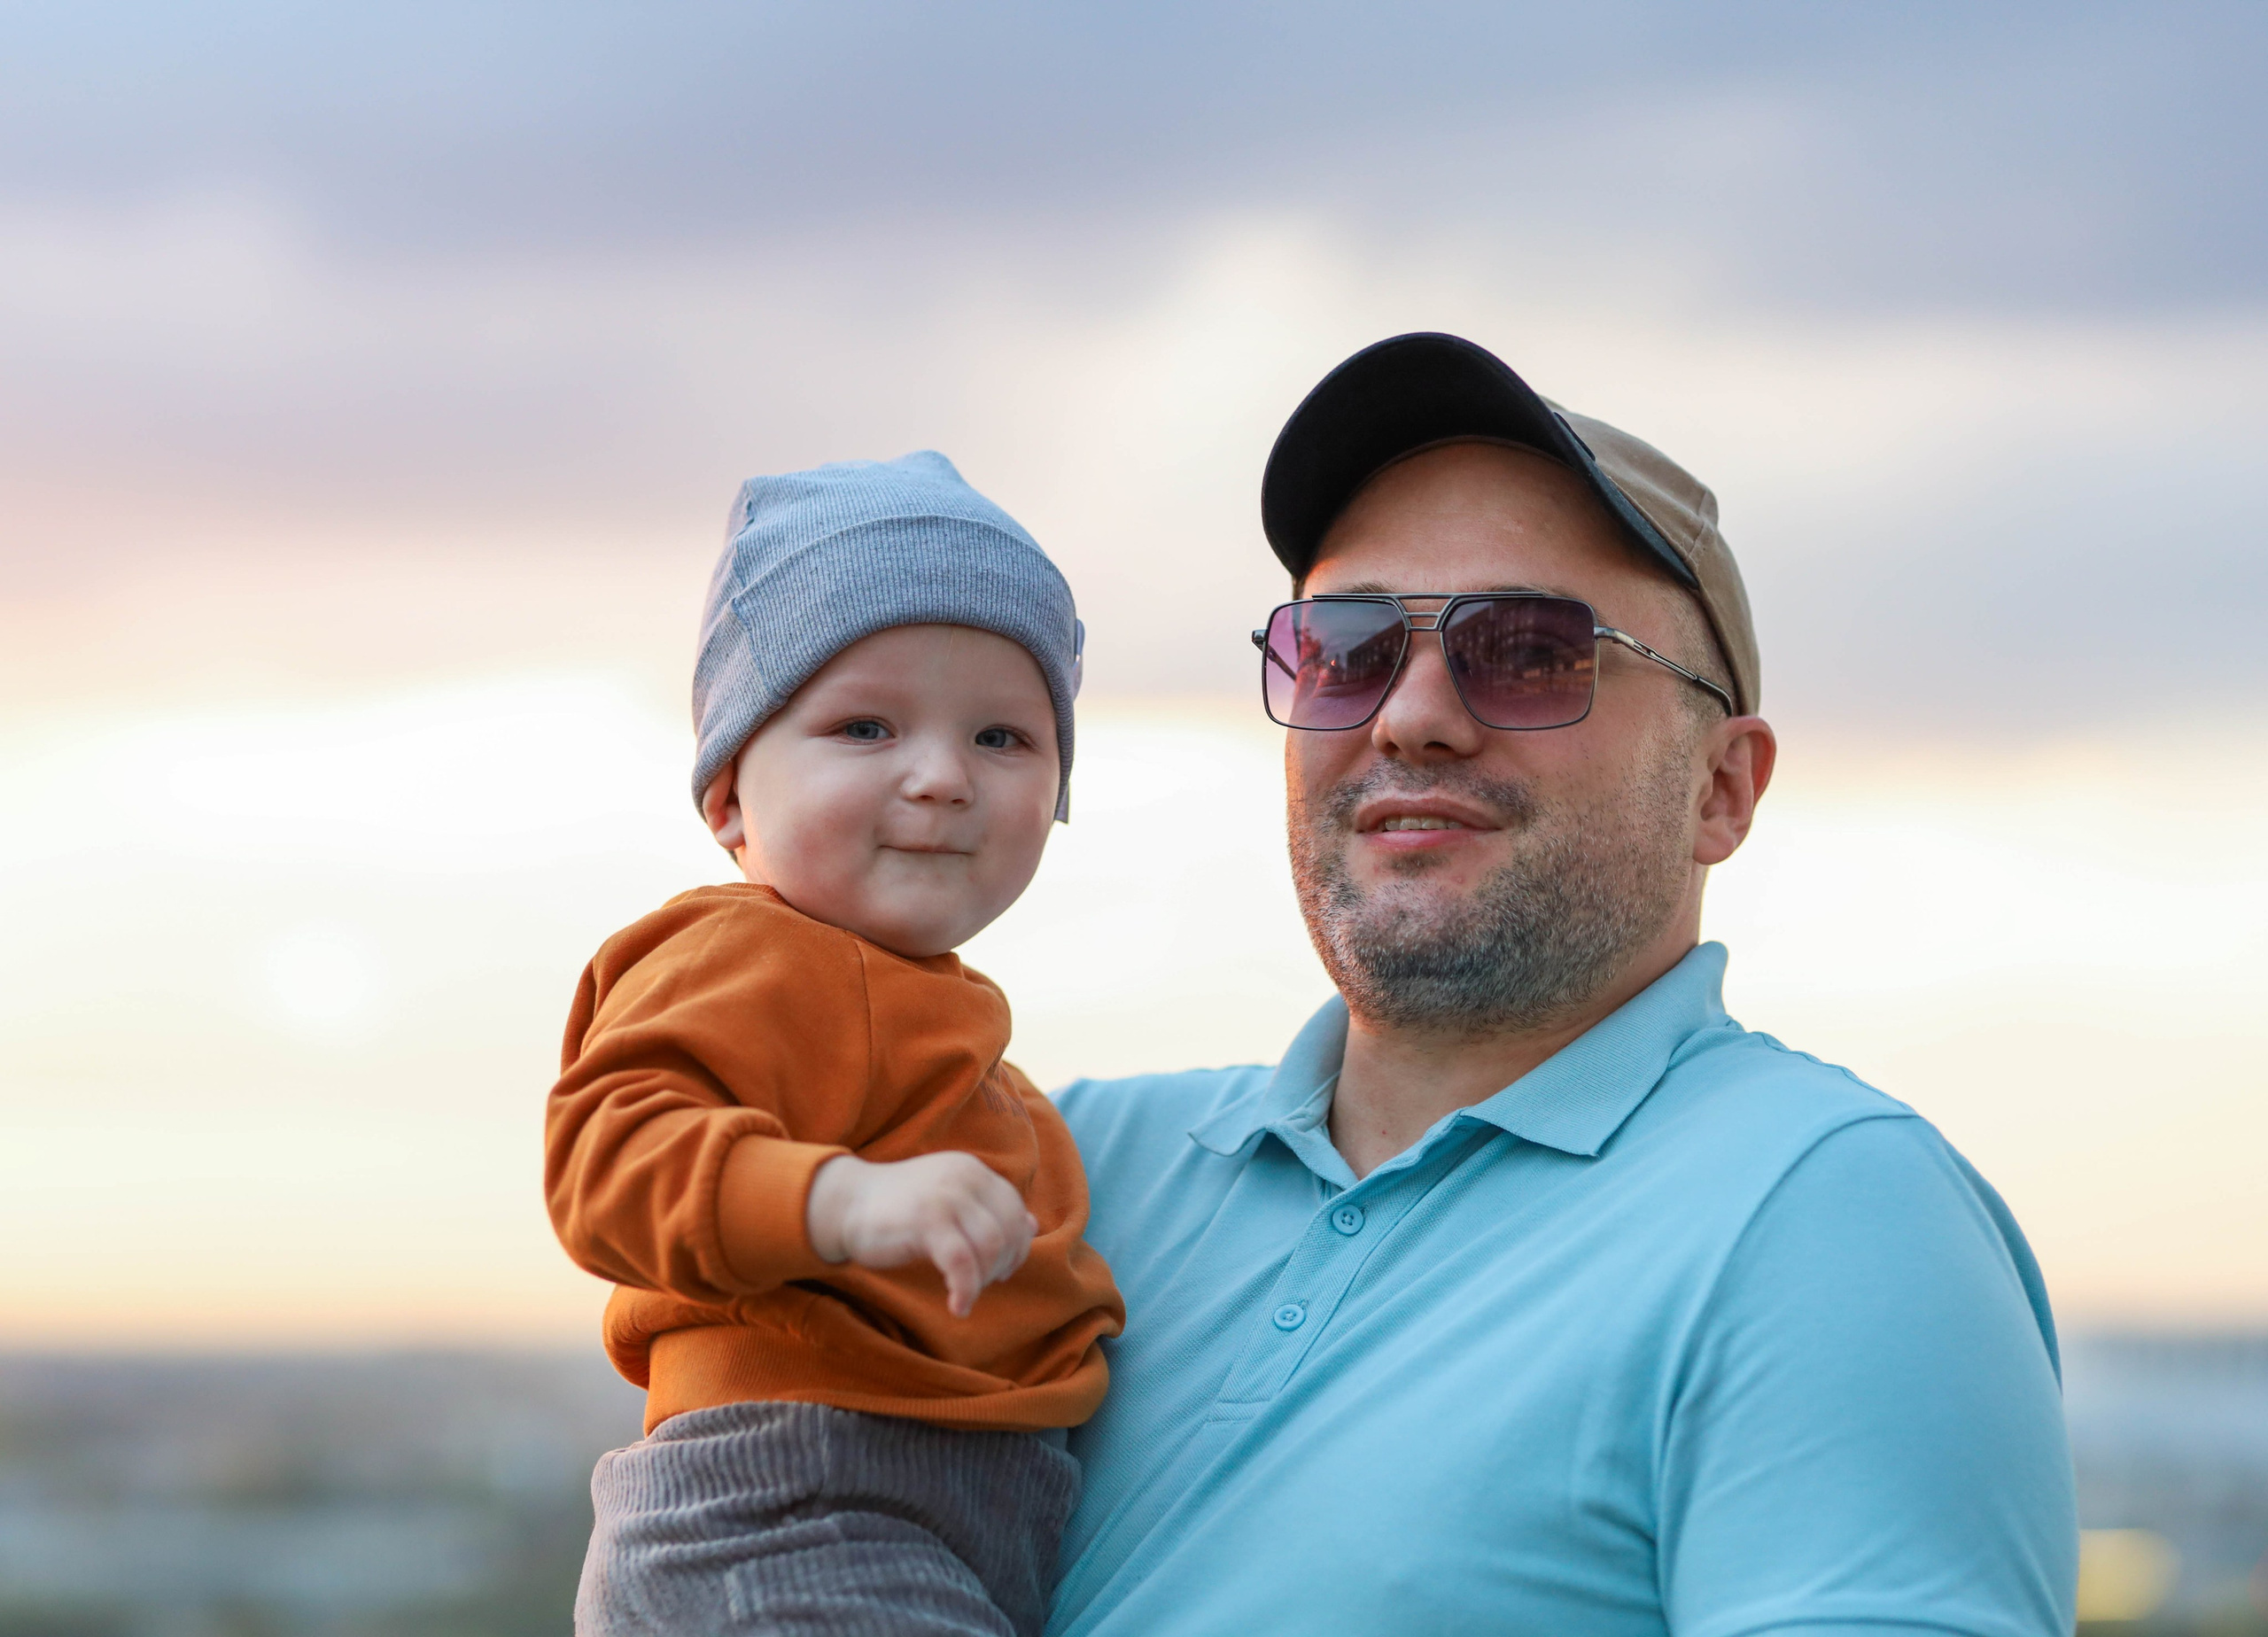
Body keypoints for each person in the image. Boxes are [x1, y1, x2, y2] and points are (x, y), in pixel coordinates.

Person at [1045, 334, 2078, 1636]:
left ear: (1722, 787)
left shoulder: (1829, 1215)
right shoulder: (1056, 1164)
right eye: (1346, 647)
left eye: (1529, 650)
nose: (1409, 715)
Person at [546, 451, 1123, 1637]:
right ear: (729, 799)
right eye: (864, 725)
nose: (940, 777)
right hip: (790, 1515)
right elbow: (607, 1161)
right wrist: (839, 1202)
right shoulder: (744, 954)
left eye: (1004, 738)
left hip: (929, 1519)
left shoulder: (962, 1047)